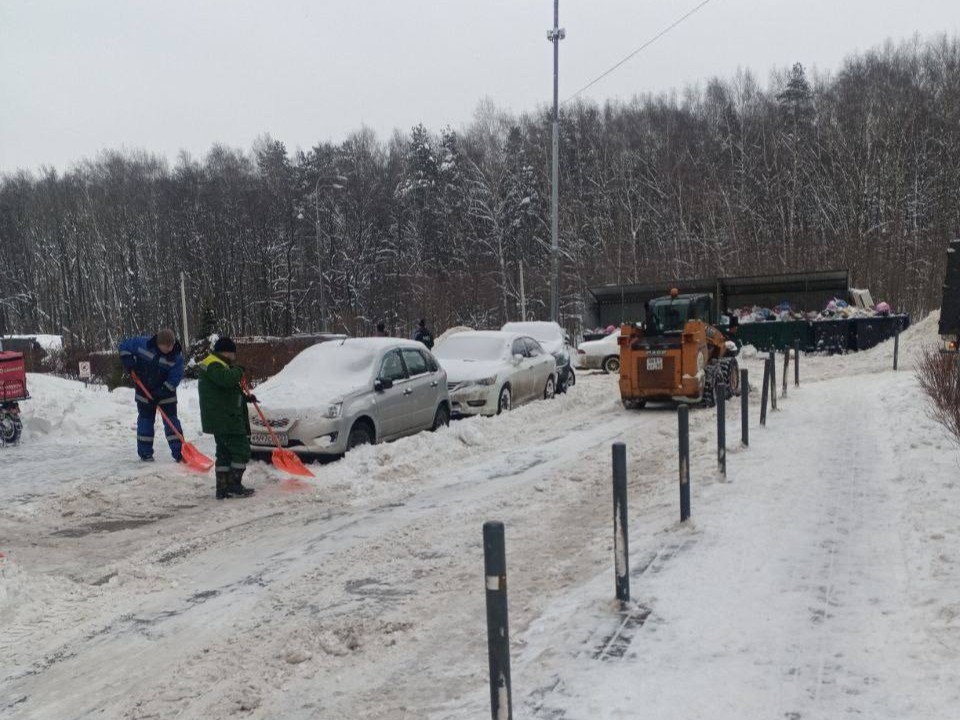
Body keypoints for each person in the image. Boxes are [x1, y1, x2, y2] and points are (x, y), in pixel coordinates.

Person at [197, 337, 256, 500]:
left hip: (221, 418)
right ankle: (234, 485)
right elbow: (226, 380)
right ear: (227, 352)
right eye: (233, 354)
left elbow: (225, 392)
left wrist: (246, 398)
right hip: (226, 419)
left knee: (224, 454)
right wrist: (239, 370)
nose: (234, 358)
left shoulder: (217, 365)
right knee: (241, 450)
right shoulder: (214, 364)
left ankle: (222, 488)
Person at [119, 328, 185, 463]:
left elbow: (175, 376)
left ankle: (180, 453)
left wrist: (163, 391)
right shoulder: (143, 344)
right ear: (158, 343)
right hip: (144, 390)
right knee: (145, 421)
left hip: (166, 393)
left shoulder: (176, 356)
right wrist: (127, 358)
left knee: (171, 421)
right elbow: (124, 346)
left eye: (171, 345)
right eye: (166, 346)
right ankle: (145, 453)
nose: (169, 348)